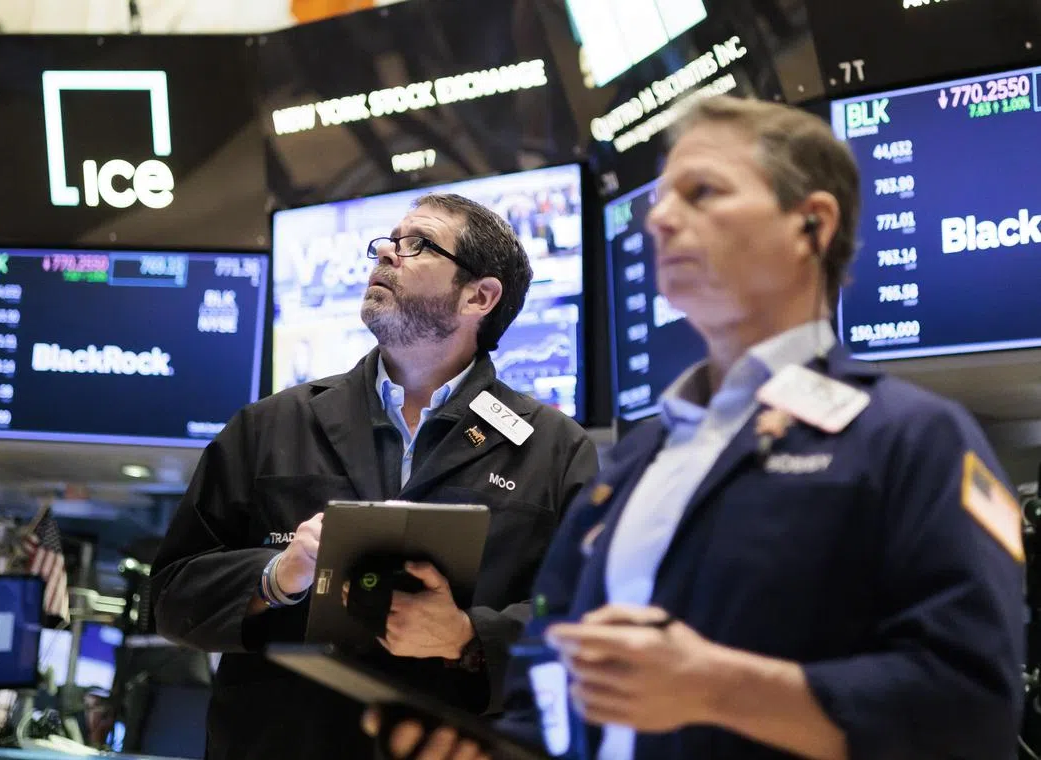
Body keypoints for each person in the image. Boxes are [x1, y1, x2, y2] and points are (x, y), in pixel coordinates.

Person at [367, 94, 1025, 760]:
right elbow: (550, 682)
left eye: (702, 192)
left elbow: (975, 709)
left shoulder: (911, 439)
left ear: (812, 225)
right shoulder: (635, 463)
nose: (662, 219)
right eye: (662, 200)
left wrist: (717, 689)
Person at [150, 192, 599, 760]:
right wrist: (274, 575)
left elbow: (585, 626)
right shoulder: (271, 425)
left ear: (479, 296)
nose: (386, 252)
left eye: (417, 244)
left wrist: (469, 637)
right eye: (386, 241)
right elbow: (169, 597)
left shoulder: (553, 449)